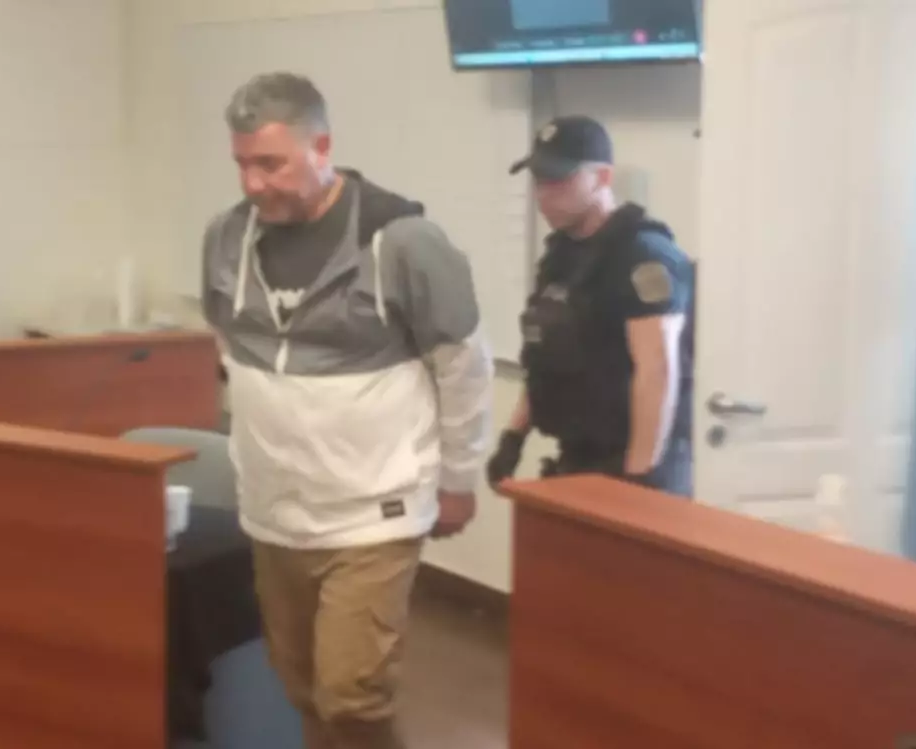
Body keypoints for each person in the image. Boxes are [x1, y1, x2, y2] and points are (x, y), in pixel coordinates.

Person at [200, 72, 494, 749]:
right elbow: (226, 345)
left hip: (374, 509)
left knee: (351, 694)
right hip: (274, 507)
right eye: (242, 163)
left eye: (270, 163)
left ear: (322, 146)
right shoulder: (225, 236)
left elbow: (463, 365)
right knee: (300, 687)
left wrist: (458, 478)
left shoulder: (402, 241)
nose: (252, 183)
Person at [487, 115, 694, 496]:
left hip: (638, 463)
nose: (543, 194)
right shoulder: (561, 257)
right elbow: (546, 357)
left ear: (602, 178)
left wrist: (637, 481)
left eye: (559, 180)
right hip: (579, 458)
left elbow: (657, 371)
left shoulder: (644, 256)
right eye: (539, 180)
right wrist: (514, 435)